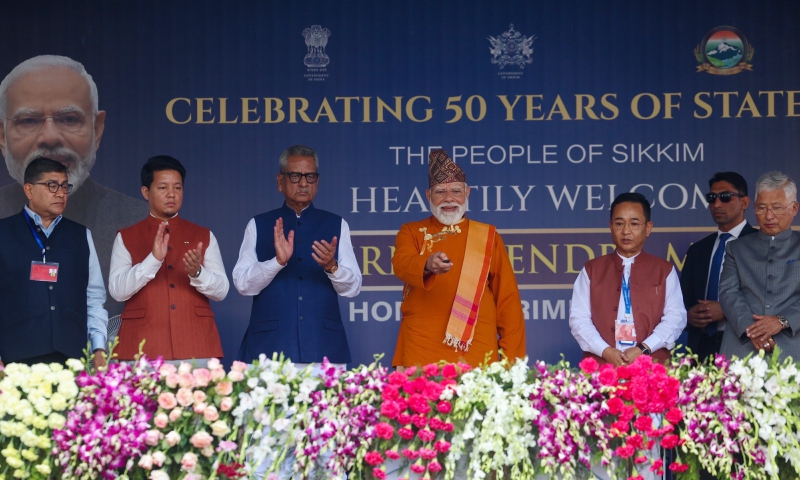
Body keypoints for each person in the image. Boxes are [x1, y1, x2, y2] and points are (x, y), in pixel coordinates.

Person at [0, 55, 149, 318]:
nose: (49, 137)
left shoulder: (139, 223)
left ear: (97, 130)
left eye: (69, 119)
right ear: (2, 136)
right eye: (29, 121)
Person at [391, 149, 526, 368]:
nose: (449, 198)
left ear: (467, 192)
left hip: (476, 349)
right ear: (428, 195)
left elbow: (507, 301)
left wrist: (512, 362)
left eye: (456, 190)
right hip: (422, 348)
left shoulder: (488, 236)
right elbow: (401, 263)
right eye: (440, 192)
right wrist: (426, 264)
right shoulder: (412, 231)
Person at [233, 145, 361, 365]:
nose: (303, 183)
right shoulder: (258, 224)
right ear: (279, 181)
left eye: (310, 176)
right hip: (269, 350)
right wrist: (276, 262)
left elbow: (353, 288)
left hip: (324, 348)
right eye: (295, 176)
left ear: (317, 182)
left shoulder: (337, 224)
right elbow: (243, 285)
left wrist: (332, 266)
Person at [108, 156, 228, 361]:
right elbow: (117, 291)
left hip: (196, 344)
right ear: (146, 192)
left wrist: (198, 273)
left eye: (178, 188)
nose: (171, 194)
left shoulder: (203, 235)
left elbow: (222, 291)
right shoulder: (126, 236)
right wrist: (153, 260)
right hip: (142, 346)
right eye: (163, 188)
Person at [0, 157, 107, 367]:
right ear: (29, 190)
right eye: (52, 186)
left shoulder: (81, 235)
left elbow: (93, 297)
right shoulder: (3, 232)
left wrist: (98, 347)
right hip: (16, 357)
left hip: (71, 356)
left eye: (65, 186)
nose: (61, 193)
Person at [569, 192, 687, 366]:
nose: (626, 231)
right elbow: (579, 320)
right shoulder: (591, 270)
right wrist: (606, 351)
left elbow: (675, 319)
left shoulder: (664, 270)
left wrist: (643, 349)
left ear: (648, 228)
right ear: (610, 226)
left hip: (651, 366)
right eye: (619, 223)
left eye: (634, 223)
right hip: (603, 366)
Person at [720, 171, 800, 362]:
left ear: (794, 208)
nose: (769, 216)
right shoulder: (736, 247)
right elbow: (728, 292)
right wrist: (752, 329)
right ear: (753, 207)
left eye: (777, 207)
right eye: (762, 208)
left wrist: (782, 321)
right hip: (743, 346)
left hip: (792, 344)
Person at [680, 172, 756, 362]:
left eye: (725, 197)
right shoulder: (698, 250)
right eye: (712, 198)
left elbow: (772, 298)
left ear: (745, 202)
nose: (717, 204)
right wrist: (689, 315)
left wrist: (727, 309)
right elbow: (682, 301)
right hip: (701, 350)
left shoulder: (761, 244)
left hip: (747, 347)